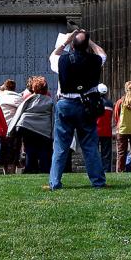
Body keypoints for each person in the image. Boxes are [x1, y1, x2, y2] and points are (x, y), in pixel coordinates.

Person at [48, 28, 107, 189]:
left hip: (66, 105)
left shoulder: (62, 60)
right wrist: (91, 42)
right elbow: (102, 54)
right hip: (86, 105)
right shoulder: (95, 60)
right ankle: (98, 182)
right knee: (89, 145)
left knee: (61, 145)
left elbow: (53, 55)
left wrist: (66, 41)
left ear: (72, 46)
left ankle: (55, 182)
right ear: (87, 45)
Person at [8, 76, 54, 174]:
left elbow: (19, 112)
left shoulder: (29, 99)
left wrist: (11, 130)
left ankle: (30, 168)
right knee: (44, 151)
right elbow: (53, 116)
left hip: (26, 126)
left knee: (30, 149)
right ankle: (44, 169)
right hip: (43, 130)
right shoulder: (49, 101)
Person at [0, 80, 24, 174]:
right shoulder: (18, 98)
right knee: (15, 148)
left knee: (4, 149)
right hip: (14, 127)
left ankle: (5, 170)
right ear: (14, 88)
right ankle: (14, 169)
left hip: (3, 126)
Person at [113, 81, 131, 172]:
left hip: (123, 129)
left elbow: (116, 116)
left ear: (126, 90)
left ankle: (120, 170)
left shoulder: (120, 102)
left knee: (121, 152)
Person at [96, 85, 114, 173]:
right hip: (107, 131)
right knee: (106, 153)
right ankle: (106, 170)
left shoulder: (95, 103)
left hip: (96, 130)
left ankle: (95, 169)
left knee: (94, 152)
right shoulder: (110, 103)